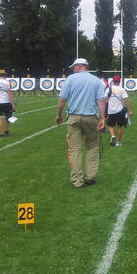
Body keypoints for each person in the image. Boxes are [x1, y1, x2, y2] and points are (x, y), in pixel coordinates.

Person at [55, 57, 106, 188]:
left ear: (79, 66)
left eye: (74, 67)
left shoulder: (70, 79)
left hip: (73, 117)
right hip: (90, 117)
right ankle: (90, 176)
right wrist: (102, 118)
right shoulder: (96, 81)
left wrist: (58, 115)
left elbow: (62, 100)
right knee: (92, 147)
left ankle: (77, 180)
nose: (73, 70)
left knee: (74, 150)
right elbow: (101, 101)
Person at [106, 75, 133, 146]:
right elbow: (126, 101)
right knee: (119, 126)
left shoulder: (108, 89)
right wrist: (129, 110)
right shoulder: (122, 89)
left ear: (113, 81)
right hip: (120, 111)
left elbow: (104, 99)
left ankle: (112, 135)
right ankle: (118, 142)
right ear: (119, 81)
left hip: (110, 111)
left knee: (111, 126)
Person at [0, 69, 15, 138]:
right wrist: (12, 103)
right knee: (8, 117)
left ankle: (1, 134)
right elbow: (10, 94)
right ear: (5, 75)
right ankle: (7, 132)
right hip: (6, 102)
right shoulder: (7, 82)